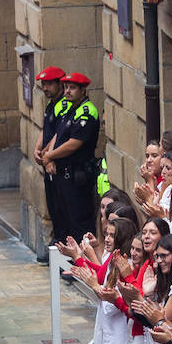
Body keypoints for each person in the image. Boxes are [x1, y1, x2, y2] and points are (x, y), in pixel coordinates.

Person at [43, 72, 101, 242]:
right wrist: (49, 156)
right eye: (66, 87)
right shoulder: (69, 108)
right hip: (63, 174)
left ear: (83, 90)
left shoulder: (87, 112)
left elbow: (74, 143)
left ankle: (82, 264)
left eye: (73, 88)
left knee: (79, 222)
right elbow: (58, 135)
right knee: (63, 220)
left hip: (78, 176)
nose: (68, 91)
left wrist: (49, 156)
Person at [31, 66, 67, 245]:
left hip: (58, 166)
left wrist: (49, 156)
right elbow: (46, 128)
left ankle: (61, 246)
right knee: (53, 207)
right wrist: (37, 147)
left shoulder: (64, 105)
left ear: (60, 84)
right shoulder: (52, 104)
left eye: (49, 84)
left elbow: (59, 133)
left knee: (61, 210)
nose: (45, 88)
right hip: (48, 163)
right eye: (43, 84)